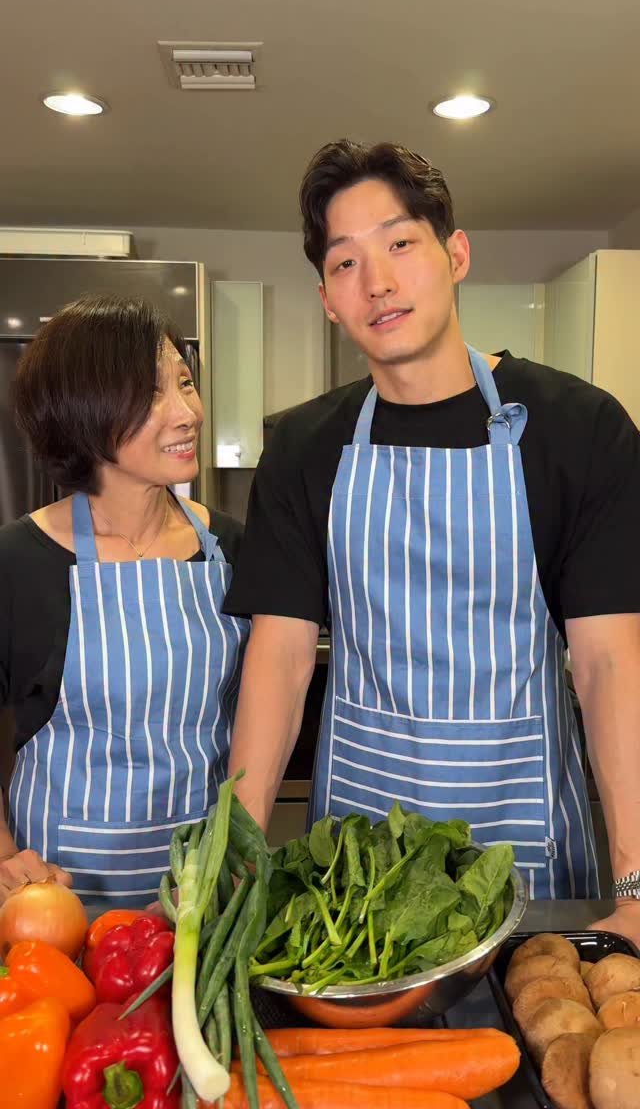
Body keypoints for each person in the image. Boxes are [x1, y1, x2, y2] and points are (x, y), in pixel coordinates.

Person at [225, 139, 640, 942]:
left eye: (400, 244)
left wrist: (635, 882)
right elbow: (277, 660)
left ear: (455, 254)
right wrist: (237, 860)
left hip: (530, 855)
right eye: (345, 264)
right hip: (359, 866)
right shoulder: (307, 446)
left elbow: (609, 663)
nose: (376, 281)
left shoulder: (579, 428)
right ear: (327, 300)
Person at [0, 295, 248, 906]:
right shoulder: (17, 562)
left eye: (186, 383)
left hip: (203, 892)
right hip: (59, 893)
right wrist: (5, 856)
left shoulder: (235, 546)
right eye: (151, 393)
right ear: (83, 411)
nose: (187, 411)